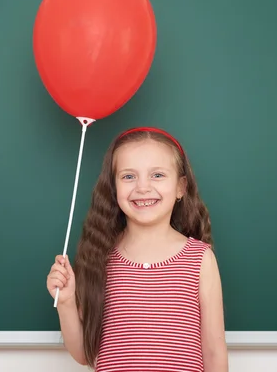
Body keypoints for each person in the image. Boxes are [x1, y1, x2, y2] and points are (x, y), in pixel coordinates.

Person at [46, 126, 228, 372]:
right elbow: (84, 354)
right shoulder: (100, 258)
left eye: (158, 175)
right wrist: (66, 301)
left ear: (181, 187)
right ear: (114, 188)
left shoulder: (199, 259)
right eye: (128, 176)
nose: (142, 187)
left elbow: (214, 353)